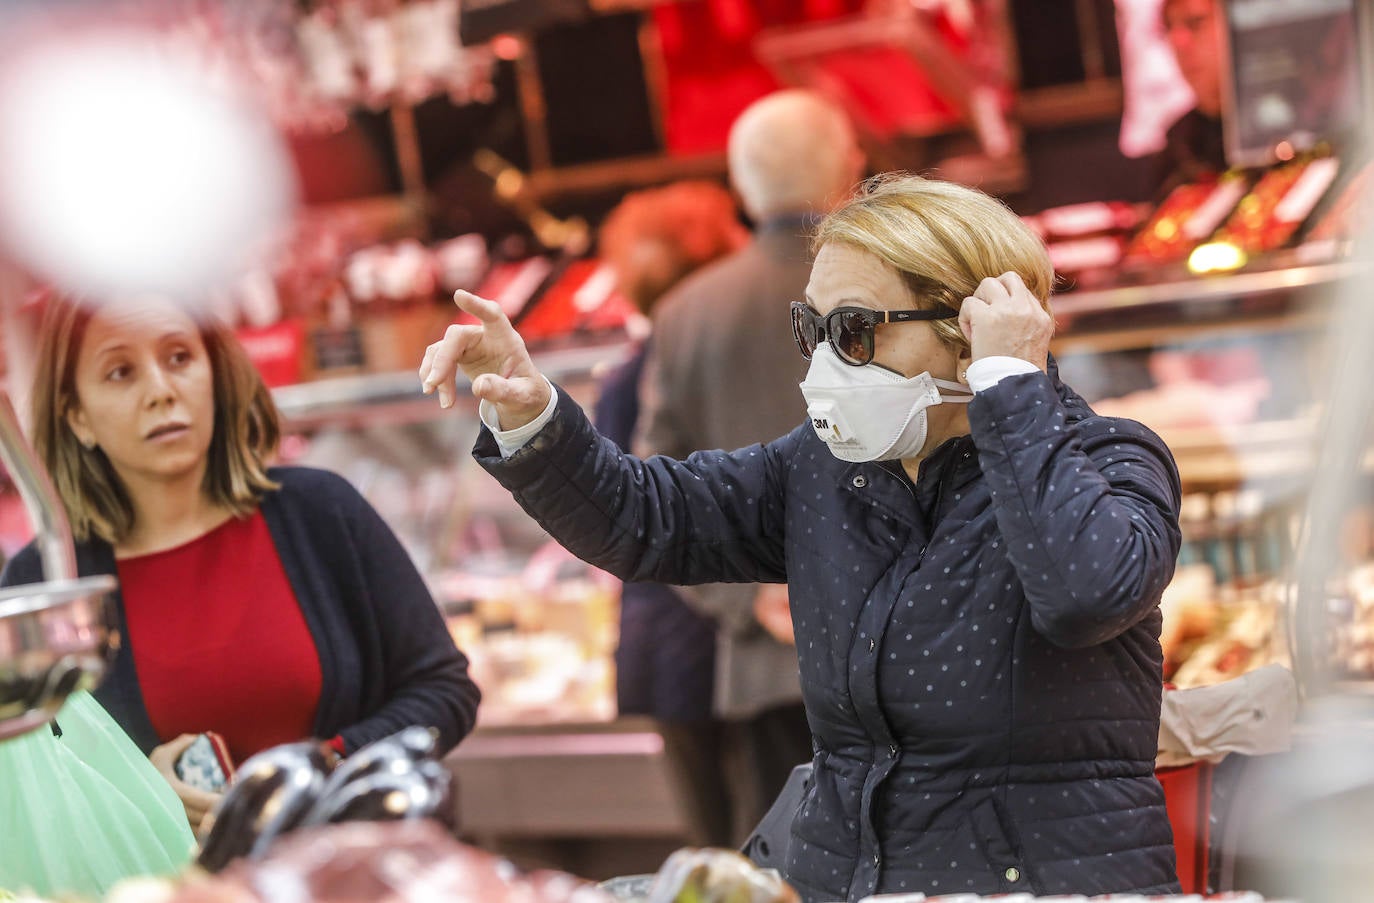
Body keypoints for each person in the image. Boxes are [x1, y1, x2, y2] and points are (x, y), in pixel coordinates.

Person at [420, 172, 1183, 902]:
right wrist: (529, 414)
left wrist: (1014, 389)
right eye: (812, 328)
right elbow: (646, 517)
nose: (823, 361)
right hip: (845, 878)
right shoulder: (821, 470)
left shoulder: (1107, 456)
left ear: (968, 335)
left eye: (852, 332)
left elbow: (1086, 591)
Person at [1, 294, 481, 829]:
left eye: (180, 357)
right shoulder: (45, 581)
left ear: (215, 372)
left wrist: (316, 773)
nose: (161, 391)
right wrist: (139, 798)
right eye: (120, 372)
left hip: (358, 872)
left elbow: (445, 692)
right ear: (77, 416)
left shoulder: (319, 510)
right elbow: (30, 786)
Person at [631, 89, 866, 844]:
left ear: (741, 188)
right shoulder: (897, 286)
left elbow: (650, 501)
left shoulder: (687, 313)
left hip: (769, 671)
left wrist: (748, 599)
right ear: (848, 170)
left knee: (790, 871)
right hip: (921, 652)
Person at [592, 179, 749, 846]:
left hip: (664, 649)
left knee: (720, 853)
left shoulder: (625, 377)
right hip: (731, 638)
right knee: (770, 847)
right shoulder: (716, 359)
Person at [1154, 0, 1228, 195]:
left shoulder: (1292, 128)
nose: (1178, 41)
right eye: (1168, 27)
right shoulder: (1181, 143)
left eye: (1196, 22)